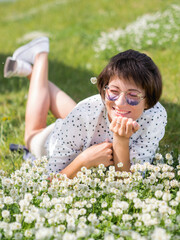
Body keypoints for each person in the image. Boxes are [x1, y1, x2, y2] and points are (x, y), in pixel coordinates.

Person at [4, 37, 167, 179]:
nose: (120, 102)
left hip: (87, 125)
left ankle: (30, 71)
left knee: (84, 115)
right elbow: (51, 182)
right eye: (114, 91)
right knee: (32, 135)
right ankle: (40, 56)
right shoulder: (84, 114)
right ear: (104, 90)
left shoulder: (155, 116)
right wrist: (85, 160)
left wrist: (121, 141)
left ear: (148, 101)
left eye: (133, 95)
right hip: (60, 138)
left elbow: (127, 181)